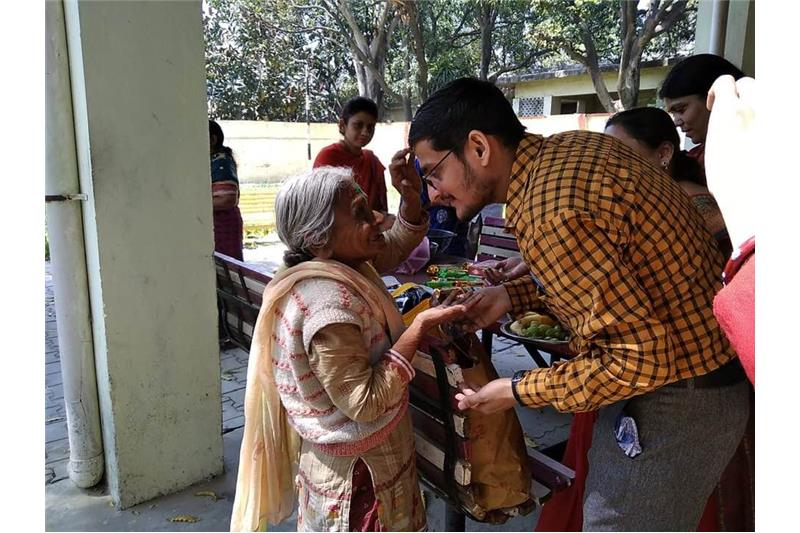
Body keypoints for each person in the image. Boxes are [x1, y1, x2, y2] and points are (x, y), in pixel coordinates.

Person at [402, 77, 750, 531]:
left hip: (677, 400)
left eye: (433, 174)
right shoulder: (571, 151)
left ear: (479, 147)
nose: (433, 194)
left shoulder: (550, 208)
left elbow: (636, 359)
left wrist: (513, 390)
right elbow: (619, 276)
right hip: (689, 381)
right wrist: (512, 295)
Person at [229, 164, 482, 532]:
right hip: (360, 481)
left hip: (365, 460)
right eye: (360, 213)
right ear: (319, 239)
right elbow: (365, 402)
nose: (377, 219)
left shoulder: (343, 264)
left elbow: (393, 244)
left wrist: (411, 201)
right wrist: (418, 329)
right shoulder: (329, 307)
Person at [605, 106, 733, 260]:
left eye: (621, 153)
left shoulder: (698, 207)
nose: (611, 164)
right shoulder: (644, 201)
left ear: (664, 153)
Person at [659, 54, 745, 168]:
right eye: (673, 114)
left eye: (681, 110)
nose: (676, 122)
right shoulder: (692, 162)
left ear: (714, 98)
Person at [314, 97, 389, 216]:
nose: (365, 132)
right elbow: (321, 206)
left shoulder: (372, 160)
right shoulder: (328, 156)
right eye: (358, 125)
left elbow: (382, 207)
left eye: (370, 127)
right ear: (342, 125)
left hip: (373, 222)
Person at [209, 120, 244, 260]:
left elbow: (227, 199)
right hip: (216, 225)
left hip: (223, 226)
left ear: (212, 140)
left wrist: (193, 206)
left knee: (224, 267)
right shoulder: (211, 160)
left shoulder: (221, 161)